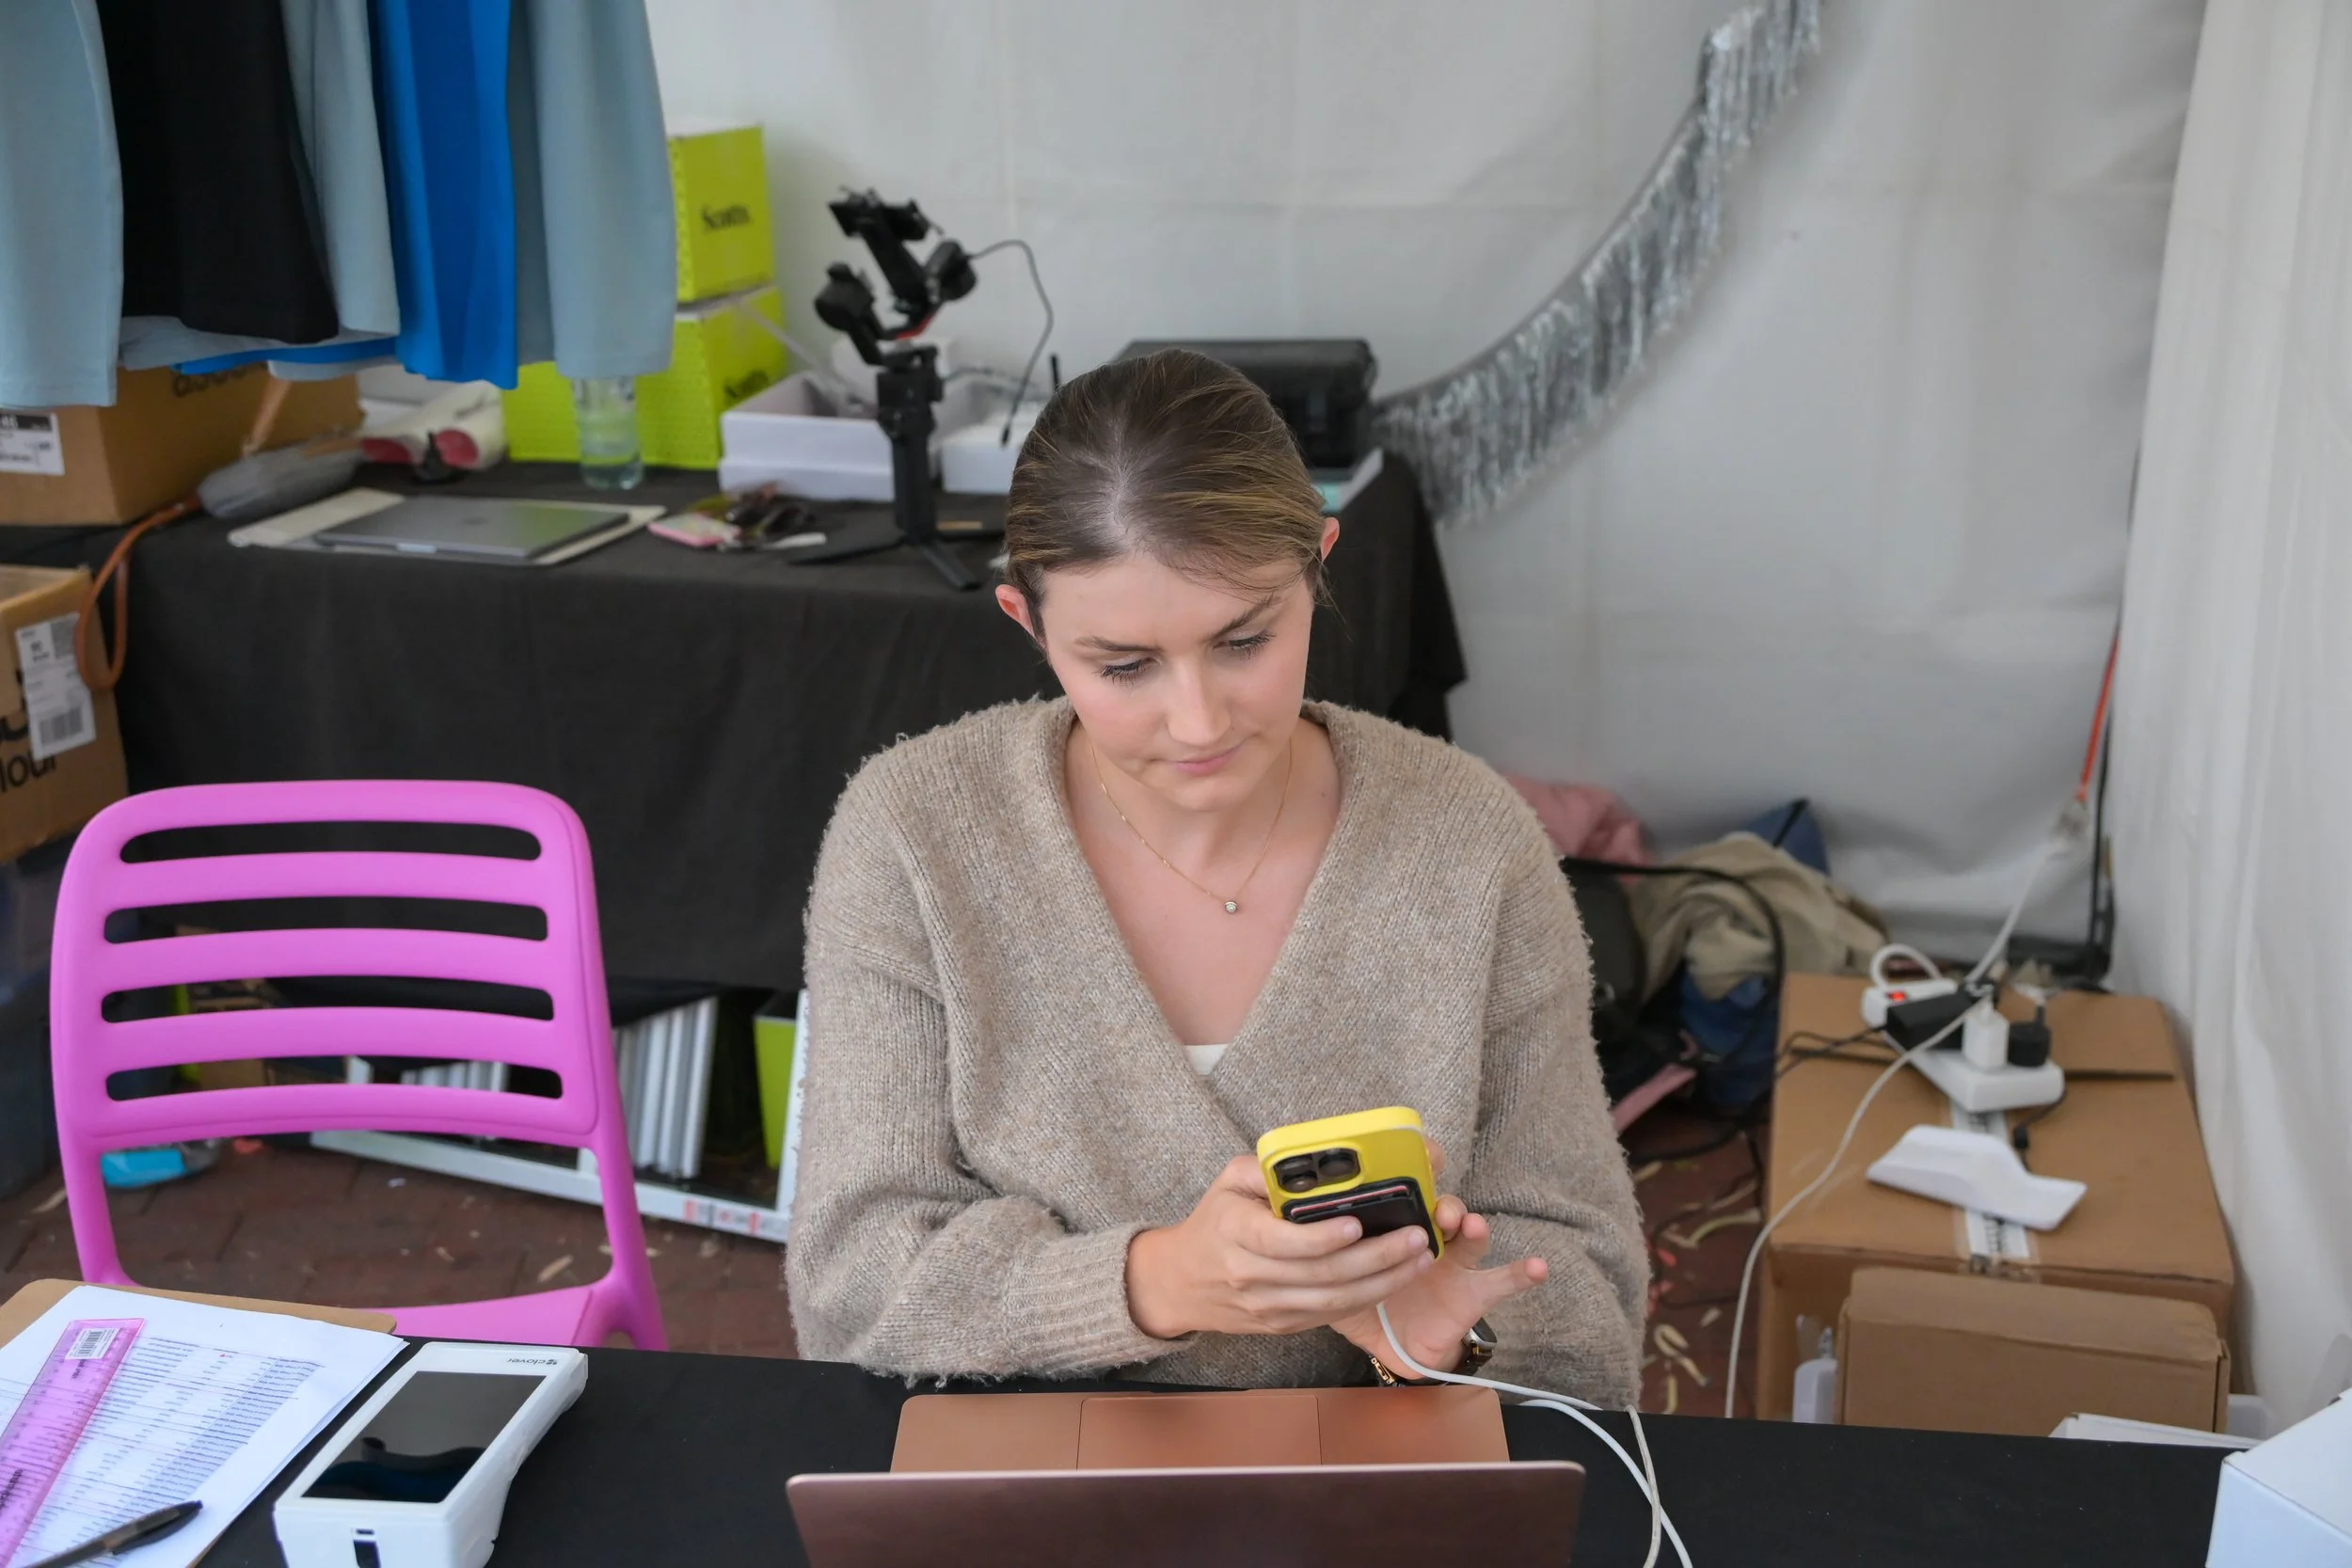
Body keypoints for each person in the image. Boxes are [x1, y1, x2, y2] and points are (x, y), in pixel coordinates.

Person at [787, 348, 1646, 1401]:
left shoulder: (1472, 844)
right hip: (1035, 1475)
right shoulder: (915, 835)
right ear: (1027, 622)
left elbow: (1592, 1299)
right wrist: (1154, 1281)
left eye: (1244, 639)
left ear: (1321, 563)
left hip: (1379, 1479)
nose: (1198, 722)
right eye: (1123, 666)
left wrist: (1454, 1337)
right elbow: (850, 1286)